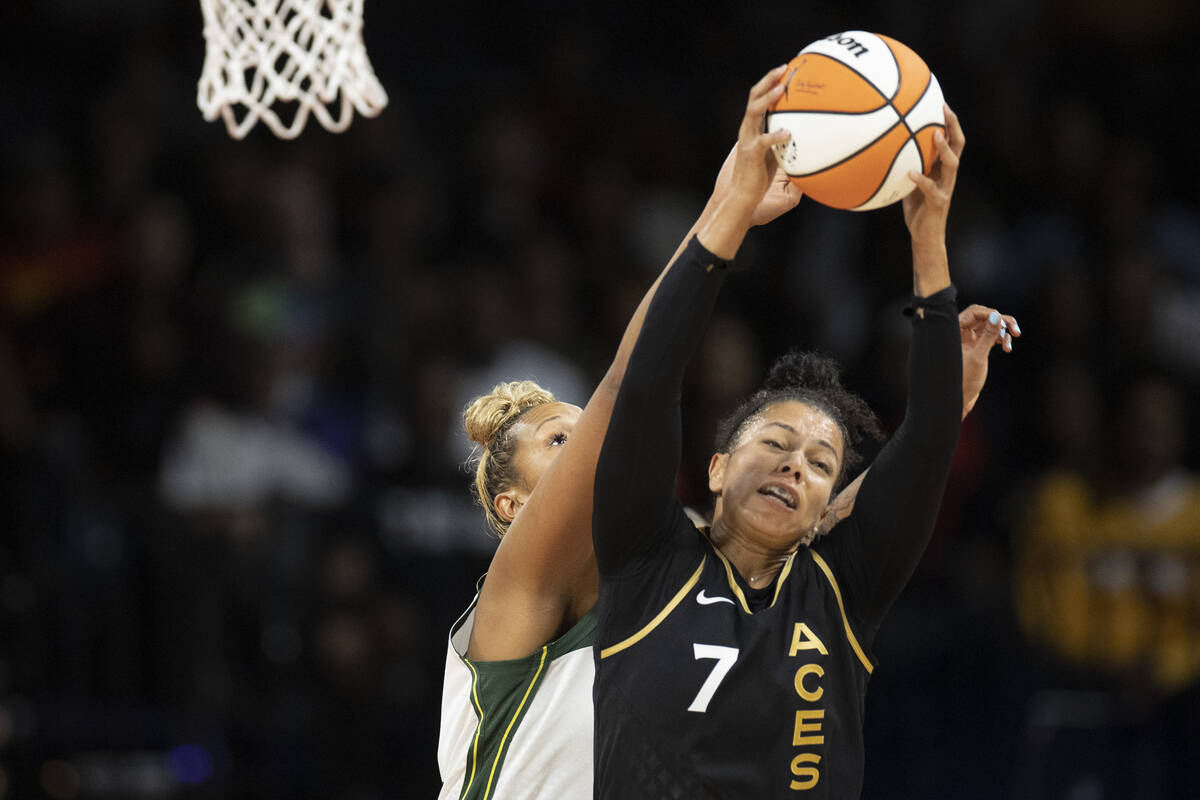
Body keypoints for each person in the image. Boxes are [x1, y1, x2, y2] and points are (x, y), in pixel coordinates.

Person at [438, 65, 1011, 799]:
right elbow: (630, 387)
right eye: (560, 442)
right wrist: (726, 206)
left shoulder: (709, 568)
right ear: (511, 506)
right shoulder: (533, 588)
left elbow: (826, 518)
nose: (589, 449)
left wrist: (935, 417)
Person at [589, 66, 971, 798]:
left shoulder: (843, 588)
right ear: (715, 467)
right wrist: (731, 209)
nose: (796, 465)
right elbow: (645, 386)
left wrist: (928, 240)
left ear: (831, 505)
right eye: (775, 443)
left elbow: (927, 439)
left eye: (821, 463)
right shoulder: (645, 558)